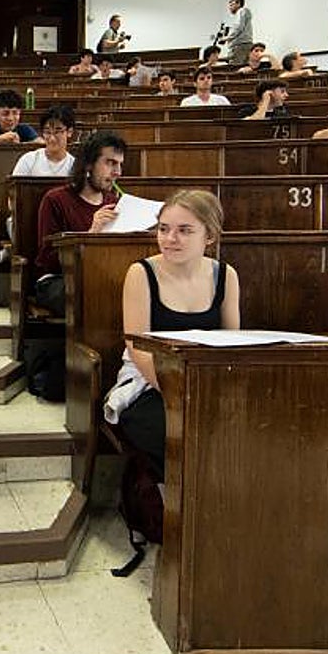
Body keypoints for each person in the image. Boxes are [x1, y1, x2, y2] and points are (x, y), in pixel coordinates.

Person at [110, 189, 240, 482]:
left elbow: (231, 343)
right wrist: (178, 391)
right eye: (163, 229)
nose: (170, 238)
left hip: (206, 381)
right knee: (172, 433)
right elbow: (137, 347)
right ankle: (170, 503)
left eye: (184, 230)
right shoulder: (140, 273)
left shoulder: (226, 276)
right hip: (150, 382)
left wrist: (210, 392)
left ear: (209, 236)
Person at [31, 130, 126, 315]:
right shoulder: (55, 199)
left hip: (99, 278)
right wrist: (91, 235)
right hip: (58, 279)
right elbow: (47, 260)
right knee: (93, 293)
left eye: (120, 164)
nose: (117, 172)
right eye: (110, 163)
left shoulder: (115, 203)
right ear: (88, 164)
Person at [11, 105, 76, 177]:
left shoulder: (74, 165)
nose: (52, 138)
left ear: (69, 132)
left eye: (57, 132)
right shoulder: (28, 160)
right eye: (47, 132)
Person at [221, 0, 253, 65]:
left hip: (240, 46)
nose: (230, 7)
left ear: (238, 4)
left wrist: (226, 38)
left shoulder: (241, 11)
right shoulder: (245, 13)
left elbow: (238, 28)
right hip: (246, 44)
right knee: (244, 67)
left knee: (234, 67)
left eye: (232, 5)